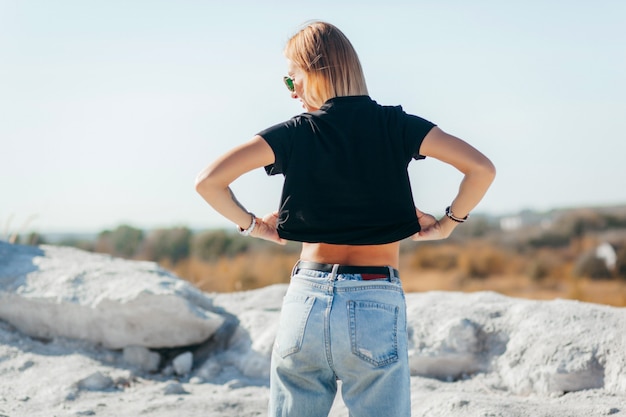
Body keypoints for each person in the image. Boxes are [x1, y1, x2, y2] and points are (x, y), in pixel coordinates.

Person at [195, 21, 495, 417]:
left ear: (316, 72)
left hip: (305, 301)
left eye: (292, 80)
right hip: (374, 298)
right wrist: (447, 224)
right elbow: (481, 169)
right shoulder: (397, 125)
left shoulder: (295, 133)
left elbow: (208, 182)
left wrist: (254, 226)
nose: (293, 92)